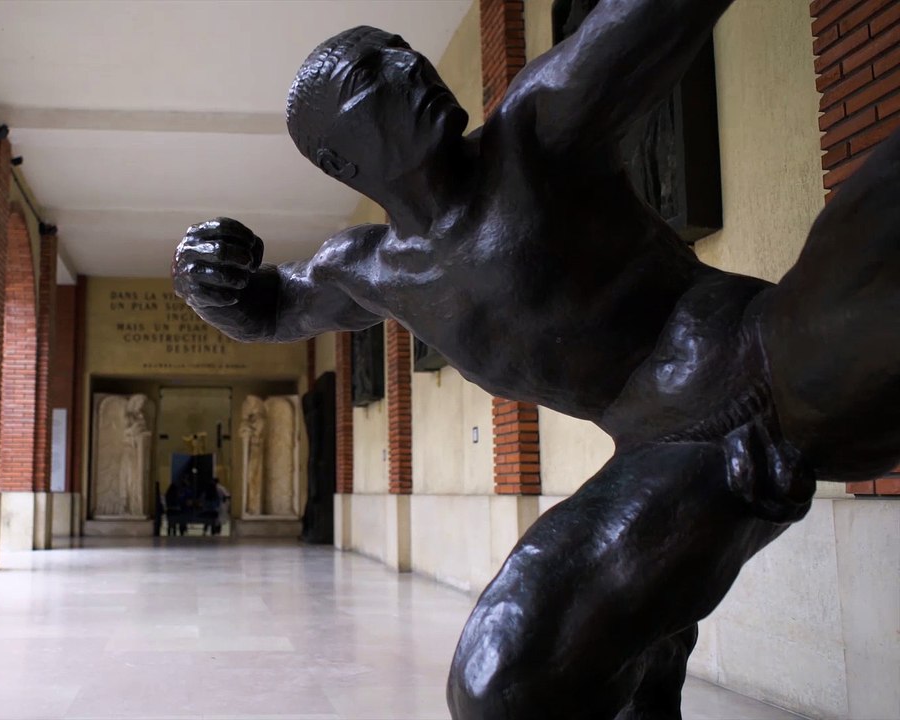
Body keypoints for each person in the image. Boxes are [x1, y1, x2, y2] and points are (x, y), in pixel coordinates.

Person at [171, 2, 900, 717]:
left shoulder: (540, 127)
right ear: (339, 157)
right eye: (375, 74)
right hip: (672, 460)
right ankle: (651, 663)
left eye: (401, 49)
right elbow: (269, 308)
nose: (409, 65)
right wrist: (207, 281)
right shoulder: (369, 268)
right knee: (501, 683)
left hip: (772, 353)